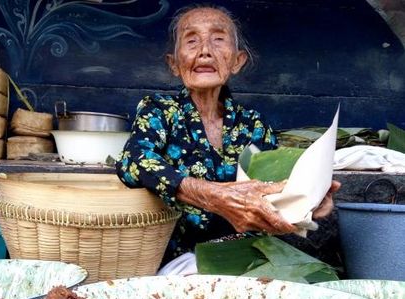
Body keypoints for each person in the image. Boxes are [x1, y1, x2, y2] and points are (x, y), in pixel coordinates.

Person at [116, 4, 340, 265]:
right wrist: (213, 196)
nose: (205, 51)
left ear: (237, 61)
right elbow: (133, 161)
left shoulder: (252, 124)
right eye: (191, 40)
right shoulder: (160, 111)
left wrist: (309, 201)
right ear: (174, 64)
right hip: (177, 261)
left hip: (247, 259)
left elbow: (275, 194)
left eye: (218, 39)